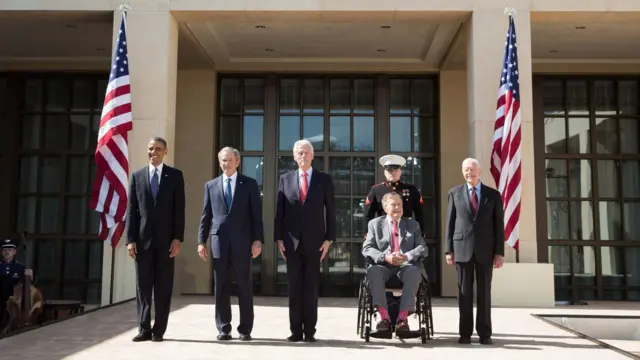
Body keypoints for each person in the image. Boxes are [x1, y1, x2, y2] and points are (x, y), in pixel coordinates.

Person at [197, 147, 264, 341]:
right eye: (223, 161)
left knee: (244, 286)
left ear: (238, 162)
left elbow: (256, 215)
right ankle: (223, 328)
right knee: (221, 287)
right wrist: (201, 241)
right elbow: (206, 215)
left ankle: (245, 329)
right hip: (219, 242)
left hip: (243, 242)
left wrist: (258, 240)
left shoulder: (249, 184)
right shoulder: (211, 185)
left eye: (229, 160)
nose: (226, 164)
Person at [274, 139, 336, 342]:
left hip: (315, 243)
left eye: (306, 153)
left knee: (311, 289)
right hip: (291, 243)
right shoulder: (285, 179)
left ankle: (309, 331)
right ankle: (295, 331)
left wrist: (329, 239)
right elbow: (279, 213)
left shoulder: (323, 180)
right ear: (294, 156)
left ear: (312, 155)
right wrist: (278, 239)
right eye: (299, 153)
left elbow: (332, 212)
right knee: (294, 289)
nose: (302, 156)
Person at [126, 137, 186, 342]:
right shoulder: (137, 176)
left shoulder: (175, 176)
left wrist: (177, 238)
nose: (154, 152)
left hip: (167, 242)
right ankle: (144, 329)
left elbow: (179, 210)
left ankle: (159, 330)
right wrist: (130, 240)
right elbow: (132, 212)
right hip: (142, 242)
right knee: (143, 287)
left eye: (158, 149)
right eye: (151, 148)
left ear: (165, 152)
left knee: (163, 287)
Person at [444, 157, 504, 345]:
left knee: (484, 294)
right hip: (462, 250)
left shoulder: (492, 195)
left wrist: (499, 252)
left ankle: (485, 334)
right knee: (464, 294)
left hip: (486, 250)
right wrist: (448, 250)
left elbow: (498, 225)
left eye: (471, 169)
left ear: (480, 171)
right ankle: (465, 334)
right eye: (465, 170)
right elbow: (450, 223)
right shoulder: (454, 193)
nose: (469, 173)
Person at [362, 192, 427, 335]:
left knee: (414, 272)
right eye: (393, 204)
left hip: (406, 267)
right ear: (385, 208)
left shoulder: (412, 224)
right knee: (373, 271)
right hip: (384, 266)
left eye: (400, 205)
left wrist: (407, 256)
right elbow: (367, 248)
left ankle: (402, 320)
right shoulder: (374, 224)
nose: (397, 207)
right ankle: (384, 319)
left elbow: (423, 248)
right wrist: (385, 257)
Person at [364, 154, 425, 237]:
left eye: (396, 170)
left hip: (407, 233)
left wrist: (420, 232)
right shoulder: (376, 190)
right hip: (383, 233)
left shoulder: (411, 190)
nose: (393, 173)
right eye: (389, 170)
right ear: (385, 172)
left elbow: (419, 214)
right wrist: (368, 233)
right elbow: (368, 215)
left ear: (400, 172)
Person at [0, 236, 35, 318]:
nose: (7, 252)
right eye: (4, 250)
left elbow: (29, 285)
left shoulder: (20, 267)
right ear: (1, 252)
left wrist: (31, 277)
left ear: (14, 252)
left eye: (10, 249)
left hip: (16, 301)